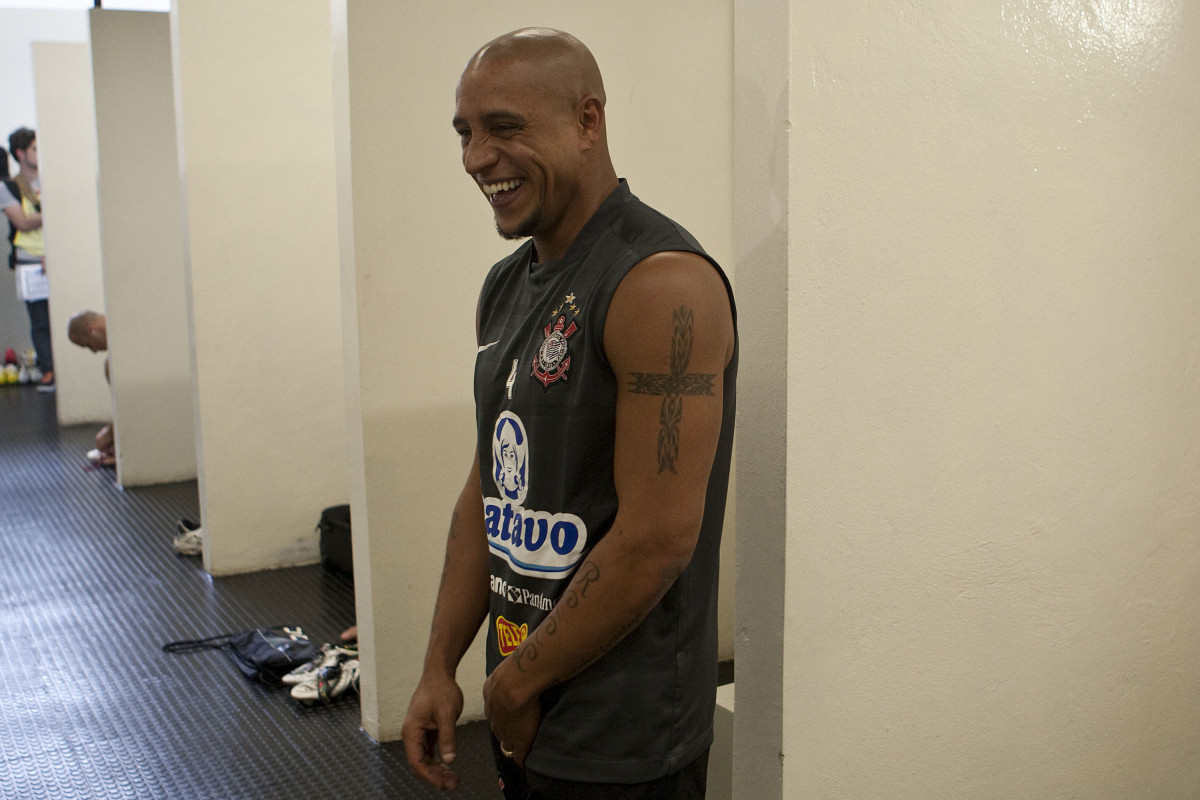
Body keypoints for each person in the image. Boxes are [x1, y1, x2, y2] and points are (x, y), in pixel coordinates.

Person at [401, 28, 737, 800]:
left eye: (505, 127)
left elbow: (657, 539)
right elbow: (490, 487)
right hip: (528, 697)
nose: (477, 157)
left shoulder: (662, 286)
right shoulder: (506, 285)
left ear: (588, 123)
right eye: (466, 132)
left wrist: (516, 687)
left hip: (626, 735)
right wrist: (438, 668)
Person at [2, 127, 54, 389]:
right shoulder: (10, 187)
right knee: (40, 321)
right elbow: (22, 223)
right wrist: (55, 209)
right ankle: (49, 371)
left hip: (56, 258)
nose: (38, 153)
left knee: (61, 317)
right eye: (34, 149)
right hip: (30, 262)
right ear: (21, 153)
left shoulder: (51, 180)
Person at [66, 310, 116, 465]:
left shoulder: (113, 363)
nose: (94, 352)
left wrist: (109, 433)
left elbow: (129, 405)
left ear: (92, 331)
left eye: (88, 345)